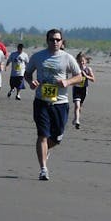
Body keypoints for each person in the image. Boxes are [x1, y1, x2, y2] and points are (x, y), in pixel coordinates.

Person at [24, 29, 84, 180]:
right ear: (47, 41)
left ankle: (45, 150)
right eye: (52, 40)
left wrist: (67, 81)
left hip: (60, 103)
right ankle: (43, 168)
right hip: (41, 101)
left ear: (62, 41)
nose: (55, 42)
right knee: (42, 135)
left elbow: (79, 77)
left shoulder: (67, 58)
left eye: (58, 40)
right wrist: (31, 82)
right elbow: (27, 73)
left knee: (57, 137)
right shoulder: (38, 57)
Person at [71, 52, 95, 129]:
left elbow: (93, 79)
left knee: (79, 107)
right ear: (77, 61)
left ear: (85, 61)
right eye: (80, 61)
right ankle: (77, 121)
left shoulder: (88, 69)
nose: (81, 62)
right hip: (76, 89)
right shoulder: (75, 69)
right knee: (77, 105)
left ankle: (76, 118)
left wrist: (86, 76)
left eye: (83, 61)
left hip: (84, 89)